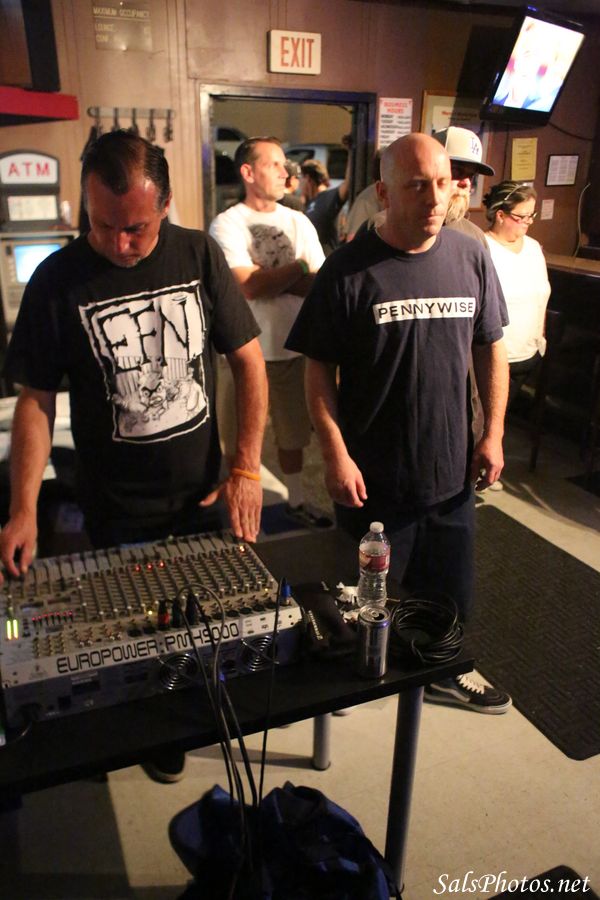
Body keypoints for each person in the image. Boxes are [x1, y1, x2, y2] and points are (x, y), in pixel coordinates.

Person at [0, 130, 268, 782]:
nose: (119, 243)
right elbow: (36, 401)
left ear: (166, 204)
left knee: (208, 621)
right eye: (102, 226)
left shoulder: (198, 254)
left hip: (203, 491)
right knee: (135, 633)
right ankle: (156, 731)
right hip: (115, 503)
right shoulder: (57, 278)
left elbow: (249, 362)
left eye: (136, 229)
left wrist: (246, 466)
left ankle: (198, 709)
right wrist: (23, 508)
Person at [287, 133, 512, 713]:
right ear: (385, 193)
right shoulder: (347, 270)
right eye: (416, 186)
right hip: (374, 483)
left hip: (452, 476)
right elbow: (318, 370)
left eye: (442, 183)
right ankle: (349, 677)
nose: (435, 198)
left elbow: (491, 347)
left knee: (448, 602)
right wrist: (335, 453)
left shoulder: (470, 255)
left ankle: (441, 673)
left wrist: (492, 433)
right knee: (364, 606)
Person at [209, 136, 331, 529]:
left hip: (292, 349)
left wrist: (271, 278)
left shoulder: (299, 221)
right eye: (274, 164)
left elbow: (319, 284)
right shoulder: (227, 224)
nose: (285, 171)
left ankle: (296, 501)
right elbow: (246, 285)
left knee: (294, 436)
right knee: (237, 440)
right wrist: (297, 268)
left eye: (285, 164)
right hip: (243, 354)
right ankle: (236, 513)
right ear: (248, 172)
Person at [483, 181, 550, 408]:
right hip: (498, 357)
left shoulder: (533, 248)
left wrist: (541, 336)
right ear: (500, 215)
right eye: (522, 216)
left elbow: (542, 294)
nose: (529, 222)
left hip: (530, 352)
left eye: (532, 215)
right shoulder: (483, 247)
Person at [300, 137, 352, 255]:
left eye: (301, 178)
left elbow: (348, 184)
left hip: (326, 259)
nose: (299, 183)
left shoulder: (328, 197)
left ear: (307, 178)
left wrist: (350, 151)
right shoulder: (310, 202)